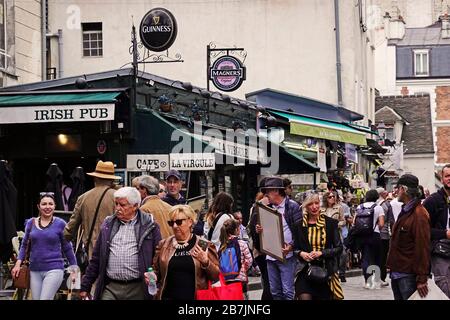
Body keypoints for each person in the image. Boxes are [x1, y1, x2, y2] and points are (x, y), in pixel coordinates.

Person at [79, 187, 162, 300]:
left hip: (138, 287)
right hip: (111, 287)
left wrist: (155, 280)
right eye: (116, 204)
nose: (117, 208)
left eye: (122, 205)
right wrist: (85, 286)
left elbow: (158, 258)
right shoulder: (108, 224)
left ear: (135, 206)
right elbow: (96, 258)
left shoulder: (149, 226)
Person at [11, 192, 77, 300]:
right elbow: (24, 245)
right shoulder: (30, 223)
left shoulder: (60, 224)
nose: (47, 207)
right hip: (34, 270)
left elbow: (67, 248)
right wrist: (17, 264)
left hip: (54, 269)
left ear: (55, 206)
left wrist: (74, 268)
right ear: (38, 206)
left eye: (50, 204)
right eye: (44, 204)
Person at [149, 205, 219, 300]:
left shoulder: (203, 244)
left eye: (178, 222)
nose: (174, 226)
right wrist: (151, 276)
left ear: (190, 222)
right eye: (171, 223)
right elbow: (155, 271)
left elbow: (215, 276)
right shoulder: (164, 245)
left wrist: (206, 262)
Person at [256, 177, 302, 300]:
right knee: (275, 291)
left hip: (287, 255)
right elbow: (260, 228)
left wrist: (291, 246)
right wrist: (259, 229)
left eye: (268, 191)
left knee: (287, 291)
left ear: (276, 191)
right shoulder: (267, 207)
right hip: (271, 255)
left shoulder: (292, 206)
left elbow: (299, 232)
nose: (265, 194)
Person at [292, 192, 344, 300]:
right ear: (305, 206)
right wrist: (302, 254)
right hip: (305, 269)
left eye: (316, 203)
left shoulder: (330, 223)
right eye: (310, 204)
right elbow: (295, 248)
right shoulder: (299, 225)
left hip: (325, 270)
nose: (314, 207)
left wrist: (321, 253)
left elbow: (339, 248)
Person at [387, 174, 430, 300]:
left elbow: (423, 246)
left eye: (398, 188)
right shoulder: (406, 210)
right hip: (398, 272)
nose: (395, 191)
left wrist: (422, 277)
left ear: (404, 190)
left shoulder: (419, 214)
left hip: (408, 275)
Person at [64, 161, 119, 259]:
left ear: (95, 178)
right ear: (112, 180)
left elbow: (71, 228)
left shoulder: (83, 198)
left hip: (92, 253)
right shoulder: (118, 197)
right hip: (114, 251)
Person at [423, 164, 450, 298]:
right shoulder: (432, 200)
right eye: (447, 176)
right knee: (444, 286)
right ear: (442, 178)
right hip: (440, 249)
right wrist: (444, 233)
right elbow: (423, 229)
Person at [354, 189, 385, 288]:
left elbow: (354, 221)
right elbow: (381, 223)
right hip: (374, 235)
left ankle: (367, 281)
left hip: (361, 236)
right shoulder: (378, 207)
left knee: (365, 257)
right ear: (376, 197)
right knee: (376, 257)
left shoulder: (360, 207)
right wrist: (375, 228)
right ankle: (376, 279)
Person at [218, 218, 253, 299]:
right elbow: (249, 260)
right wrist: (244, 269)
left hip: (226, 278)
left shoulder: (222, 245)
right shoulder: (241, 243)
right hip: (240, 278)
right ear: (237, 230)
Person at [247, 191, 272, 300]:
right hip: (263, 252)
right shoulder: (259, 209)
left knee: (267, 281)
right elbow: (253, 230)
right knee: (268, 282)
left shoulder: (255, 208)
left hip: (260, 252)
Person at [321, 191, 346, 282]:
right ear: (326, 198)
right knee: (330, 253)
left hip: (336, 233)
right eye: (330, 197)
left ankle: (342, 272)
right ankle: (332, 273)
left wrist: (336, 225)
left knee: (342, 253)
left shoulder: (339, 208)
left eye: (333, 196)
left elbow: (343, 221)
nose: (332, 198)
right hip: (324, 233)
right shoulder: (321, 209)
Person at [138, 175, 174, 239]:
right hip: (172, 246)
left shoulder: (144, 209)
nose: (137, 192)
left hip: (157, 247)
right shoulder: (170, 207)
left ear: (144, 190)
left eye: (139, 189)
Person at [376, 187, 395, 287]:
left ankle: (372, 277)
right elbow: (391, 221)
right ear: (383, 194)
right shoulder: (387, 205)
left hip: (373, 235)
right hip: (384, 235)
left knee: (374, 256)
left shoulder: (372, 205)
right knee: (383, 257)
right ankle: (382, 278)